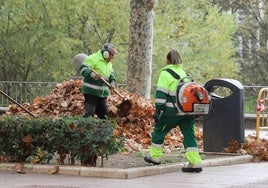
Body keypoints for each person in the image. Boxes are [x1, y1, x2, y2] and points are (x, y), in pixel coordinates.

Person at [144, 49, 203, 173]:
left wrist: (158, 110)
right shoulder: (184, 73)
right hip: (187, 112)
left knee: (159, 130)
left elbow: (161, 94)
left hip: (171, 111)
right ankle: (195, 162)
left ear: (167, 60)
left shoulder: (165, 73)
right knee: (189, 135)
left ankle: (155, 157)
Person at [79, 43, 117, 119]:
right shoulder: (93, 58)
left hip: (102, 95)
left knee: (104, 115)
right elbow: (83, 68)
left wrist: (112, 82)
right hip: (91, 93)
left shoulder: (109, 64)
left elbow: (111, 76)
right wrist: (93, 75)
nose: (113, 58)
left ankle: (103, 130)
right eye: (112, 55)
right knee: (90, 112)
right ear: (106, 53)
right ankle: (85, 129)